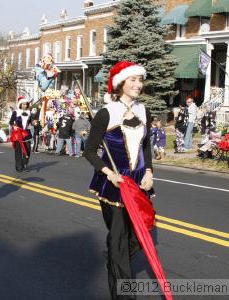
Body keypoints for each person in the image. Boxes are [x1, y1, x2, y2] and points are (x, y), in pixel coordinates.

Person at [84, 61, 154, 300]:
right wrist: (109, 173)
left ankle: (115, 260)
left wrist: (149, 171)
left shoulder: (144, 111)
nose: (138, 84)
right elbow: (90, 151)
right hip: (113, 182)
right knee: (119, 239)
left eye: (140, 80)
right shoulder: (107, 113)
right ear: (120, 84)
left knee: (139, 235)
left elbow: (146, 145)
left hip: (139, 181)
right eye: (132, 80)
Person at [10, 96, 32, 172]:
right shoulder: (16, 112)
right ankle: (19, 166)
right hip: (18, 133)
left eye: (26, 104)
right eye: (23, 104)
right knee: (18, 151)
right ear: (20, 105)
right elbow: (11, 122)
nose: (24, 106)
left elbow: (31, 122)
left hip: (27, 134)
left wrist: (34, 122)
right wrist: (14, 126)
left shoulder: (29, 112)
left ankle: (24, 163)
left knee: (28, 150)